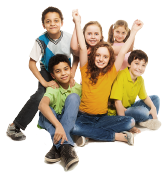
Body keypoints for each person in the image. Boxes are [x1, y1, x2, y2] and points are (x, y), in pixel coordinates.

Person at [70, 9, 143, 147]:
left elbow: (122, 52)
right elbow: (83, 49)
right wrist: (78, 22)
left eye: (105, 56)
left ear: (110, 59)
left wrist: (133, 31)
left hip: (103, 118)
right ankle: (116, 136)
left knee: (130, 122)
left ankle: (88, 135)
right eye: (97, 55)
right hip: (84, 117)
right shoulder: (85, 69)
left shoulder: (111, 72)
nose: (101, 59)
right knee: (72, 127)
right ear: (93, 56)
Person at [6, 6, 78, 140]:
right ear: (43, 25)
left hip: (65, 71)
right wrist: (44, 82)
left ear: (62, 23)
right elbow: (31, 63)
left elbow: (77, 56)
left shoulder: (69, 37)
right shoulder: (40, 41)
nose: (52, 24)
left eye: (56, 20)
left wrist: (72, 73)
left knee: (72, 93)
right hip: (47, 71)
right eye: (48, 21)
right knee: (41, 94)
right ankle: (15, 125)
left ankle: (69, 125)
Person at [38, 54, 81, 170]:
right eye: (58, 71)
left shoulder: (77, 87)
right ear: (53, 75)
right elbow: (42, 105)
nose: (63, 73)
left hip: (67, 119)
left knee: (74, 97)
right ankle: (67, 148)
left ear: (71, 70)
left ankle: (58, 148)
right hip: (51, 119)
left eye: (66, 69)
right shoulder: (53, 87)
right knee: (46, 110)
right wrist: (58, 125)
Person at [108, 50, 161, 133]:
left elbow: (144, 97)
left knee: (155, 99)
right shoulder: (121, 75)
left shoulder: (140, 79)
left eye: (143, 65)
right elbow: (117, 102)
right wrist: (124, 123)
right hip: (121, 111)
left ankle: (144, 121)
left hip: (130, 107)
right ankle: (142, 120)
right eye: (136, 63)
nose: (140, 68)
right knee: (142, 111)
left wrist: (153, 107)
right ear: (129, 64)